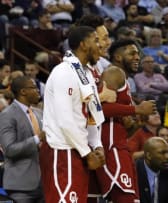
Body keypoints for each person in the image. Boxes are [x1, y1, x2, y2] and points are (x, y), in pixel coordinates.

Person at [40, 26, 105, 203]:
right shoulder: (63, 72)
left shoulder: (87, 75)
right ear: (83, 45)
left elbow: (91, 115)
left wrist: (97, 145)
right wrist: (87, 152)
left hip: (79, 150)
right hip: (62, 150)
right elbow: (65, 120)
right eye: (96, 40)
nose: (101, 45)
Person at [95, 65, 156, 201]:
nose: (136, 57)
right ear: (118, 56)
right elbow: (101, 109)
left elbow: (118, 122)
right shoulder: (114, 73)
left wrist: (134, 125)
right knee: (125, 197)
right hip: (111, 149)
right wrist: (137, 109)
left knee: (133, 199)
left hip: (122, 146)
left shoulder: (126, 84)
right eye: (131, 52)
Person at [0, 76, 45, 202]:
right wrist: (38, 139)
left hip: (45, 183)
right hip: (21, 186)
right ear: (23, 92)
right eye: (34, 88)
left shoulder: (39, 113)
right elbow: (9, 149)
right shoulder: (7, 115)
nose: (38, 91)